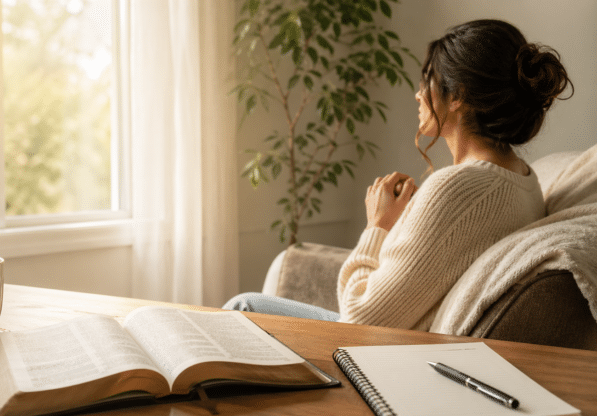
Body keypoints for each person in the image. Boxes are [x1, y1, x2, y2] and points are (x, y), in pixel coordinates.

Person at [223, 19, 573, 330]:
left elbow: (360, 320)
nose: (418, 94)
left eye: (427, 81)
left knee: (243, 308)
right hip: (402, 343)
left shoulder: (455, 187)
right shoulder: (524, 178)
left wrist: (378, 225)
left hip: (385, 356)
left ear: (458, 96)